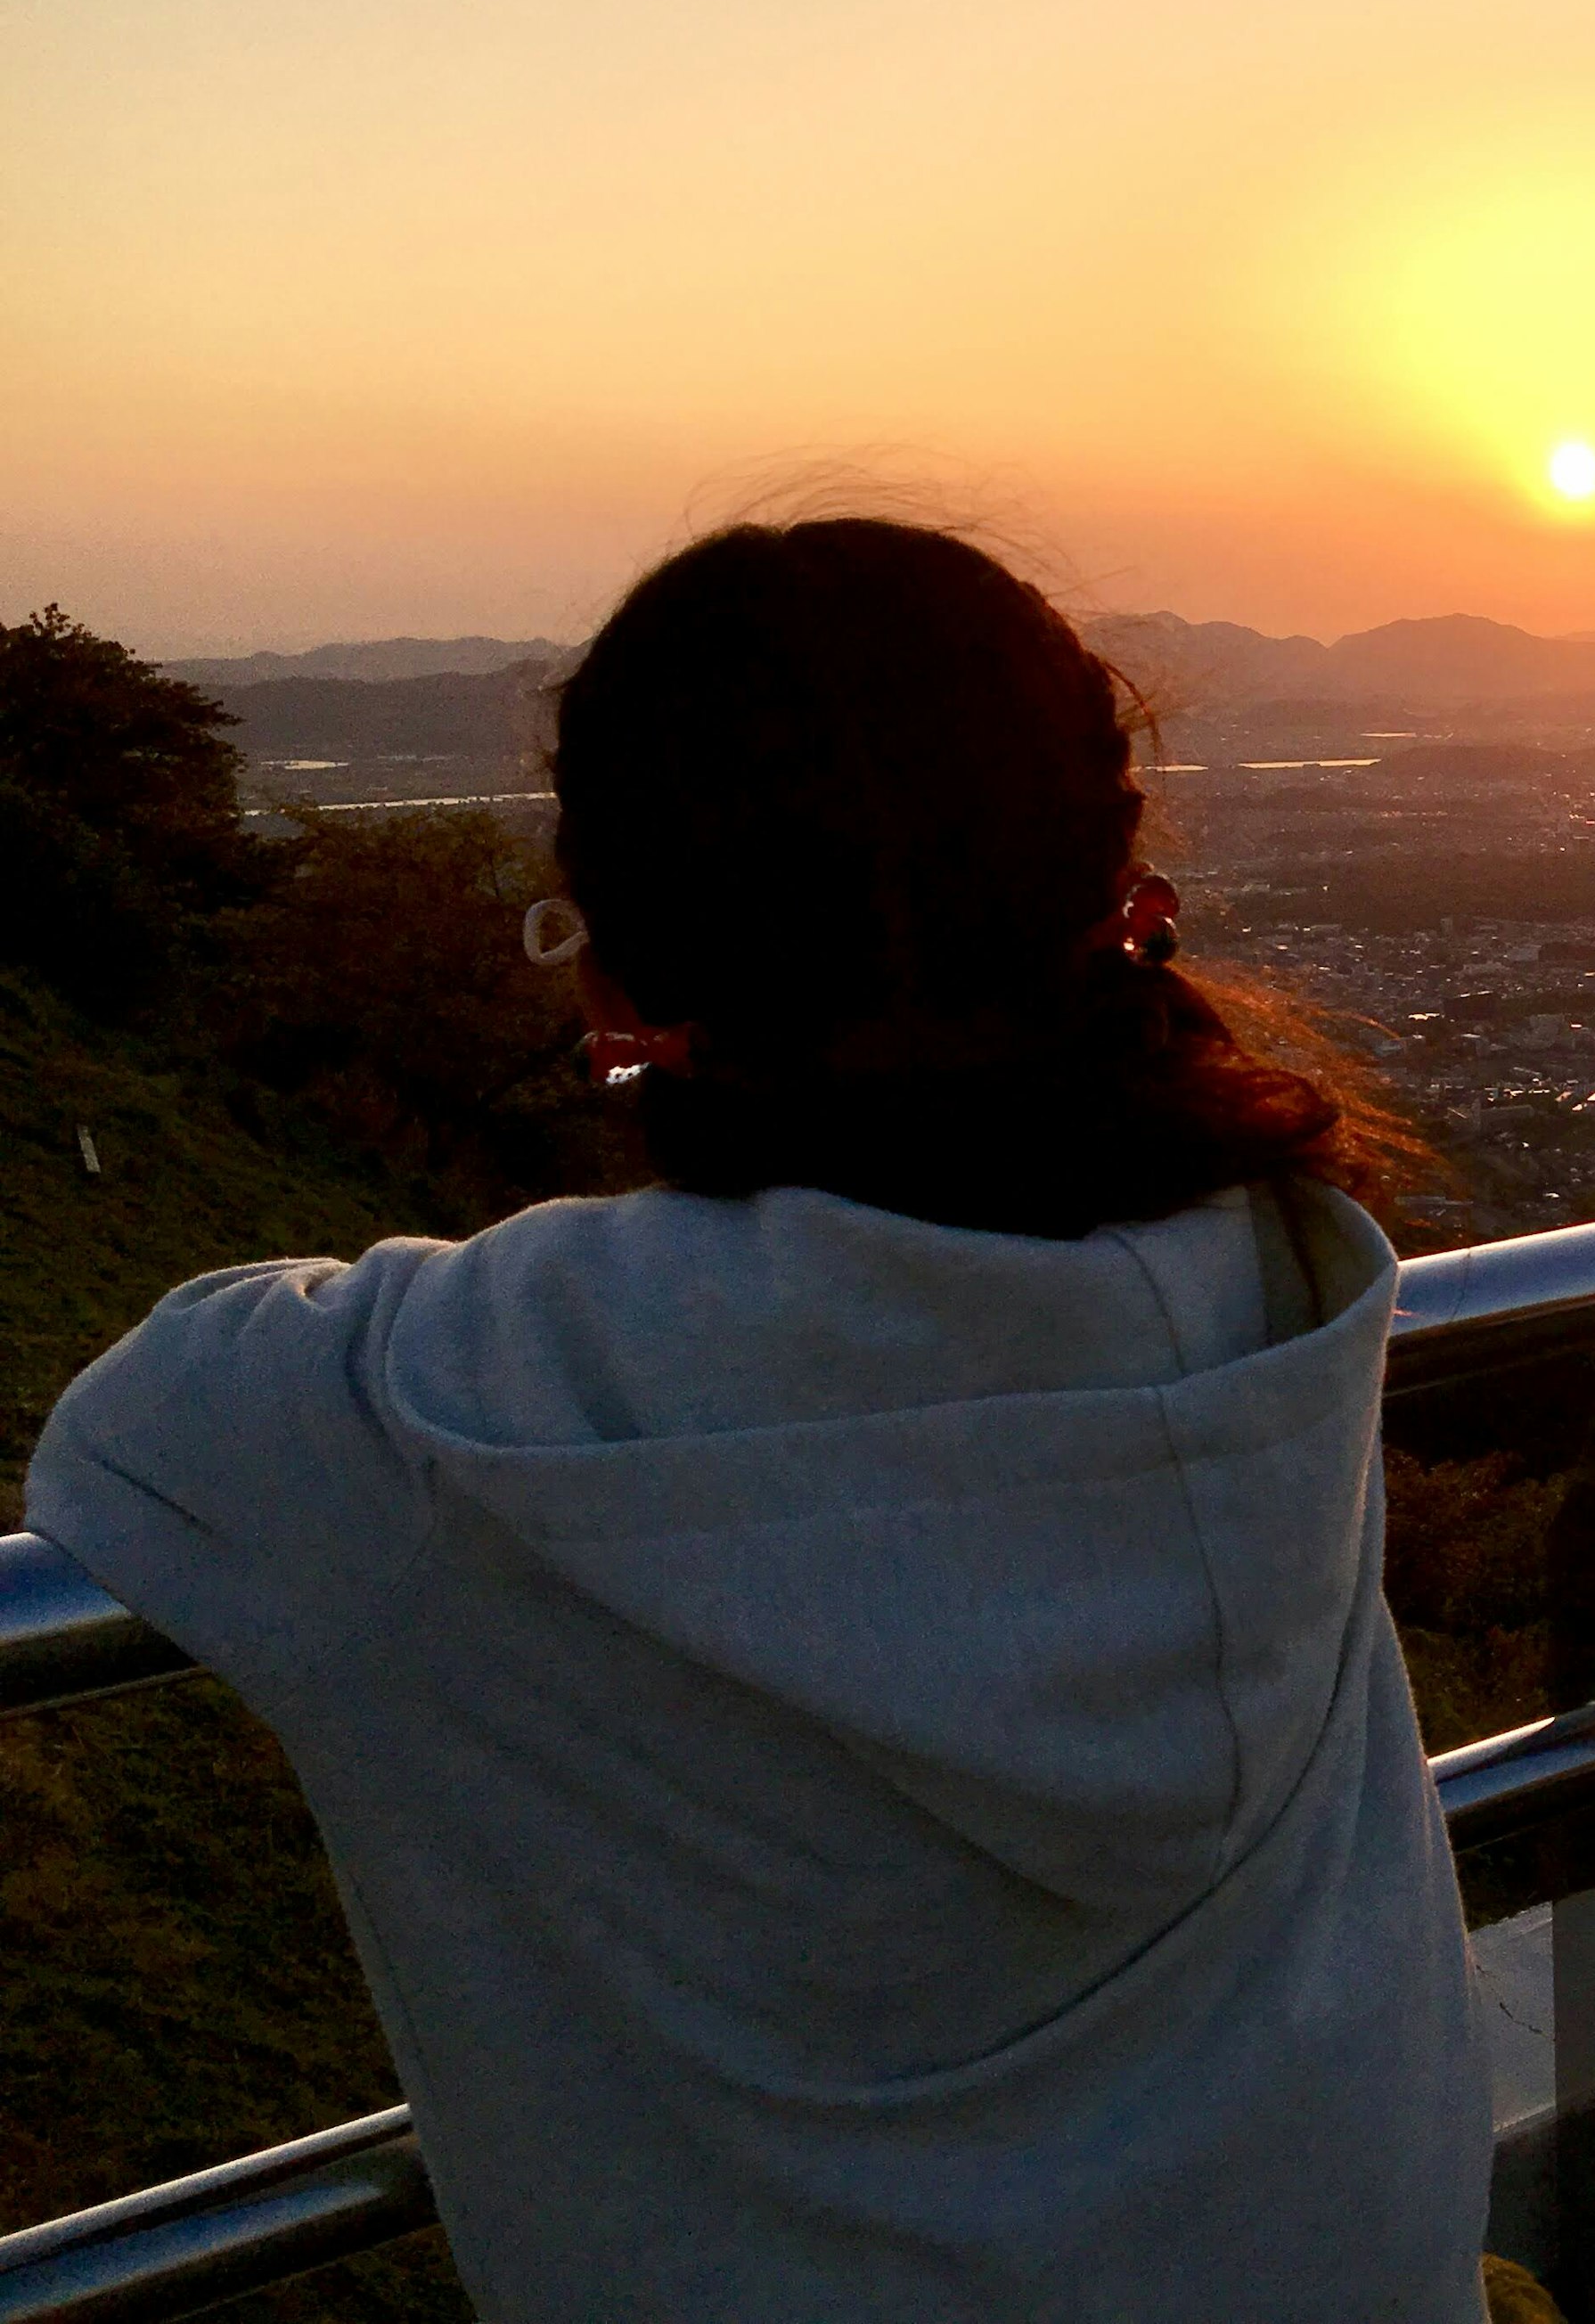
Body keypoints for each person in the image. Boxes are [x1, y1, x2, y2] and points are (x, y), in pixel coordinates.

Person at [25, 520, 1497, 2321]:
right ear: (1111, 890)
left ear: (625, 970)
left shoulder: (459, 1415)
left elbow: (145, 1418)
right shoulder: (1274, 1274)